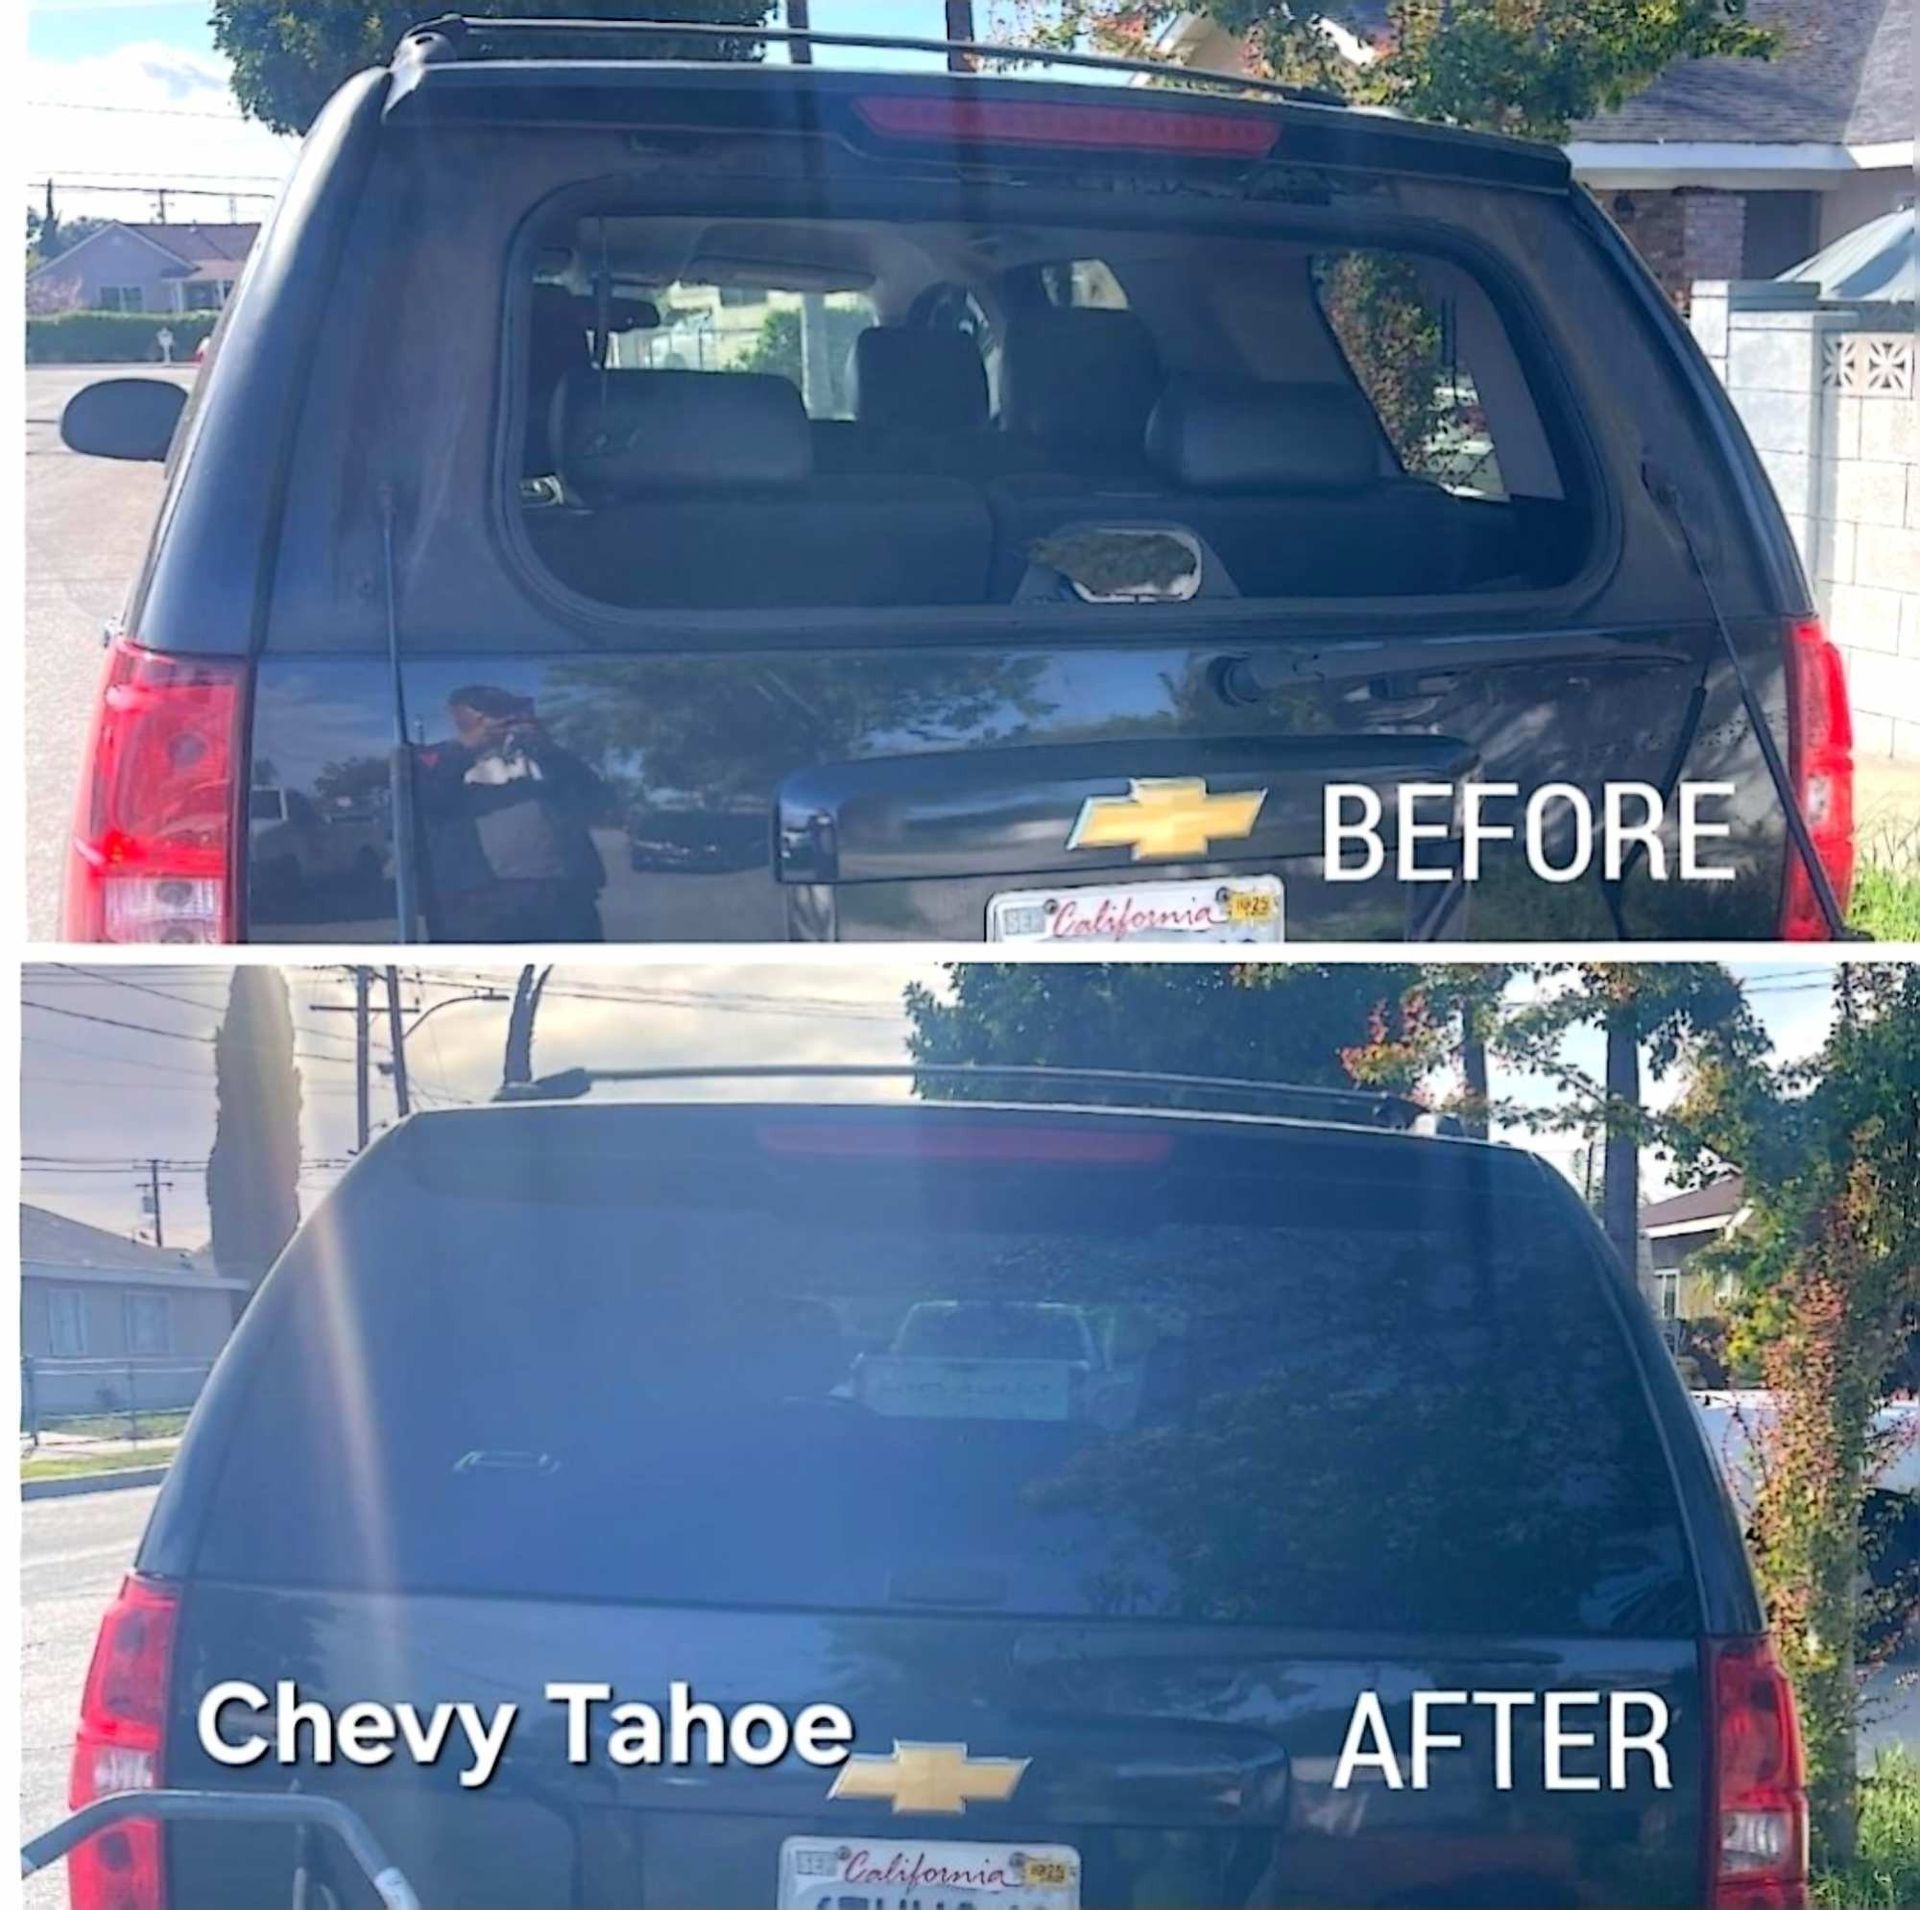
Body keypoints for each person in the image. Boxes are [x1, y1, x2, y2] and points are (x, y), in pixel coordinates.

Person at [414, 686, 608, 941]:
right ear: (457, 715)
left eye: (509, 710)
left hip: (563, 899)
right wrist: (470, 746)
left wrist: (546, 748)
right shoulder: (434, 759)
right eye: (489, 712)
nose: (501, 720)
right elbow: (425, 797)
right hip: (477, 905)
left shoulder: (548, 759)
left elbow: (597, 798)